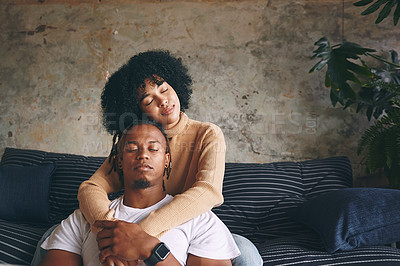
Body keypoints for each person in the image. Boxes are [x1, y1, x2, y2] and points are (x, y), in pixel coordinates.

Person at [75, 50, 262, 265]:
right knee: (55, 233)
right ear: (138, 111)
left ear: (176, 86)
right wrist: (109, 231)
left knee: (245, 251)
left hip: (190, 228)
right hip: (134, 225)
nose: (163, 101)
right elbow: (90, 188)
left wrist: (139, 235)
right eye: (148, 100)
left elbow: (208, 192)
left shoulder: (207, 134)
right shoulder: (135, 146)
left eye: (164, 89)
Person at [39, 121, 241, 266]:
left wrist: (150, 249)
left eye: (153, 149)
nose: (143, 154)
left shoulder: (200, 221)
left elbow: (209, 191)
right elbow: (89, 188)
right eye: (132, 148)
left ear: (167, 160)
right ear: (118, 161)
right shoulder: (84, 218)